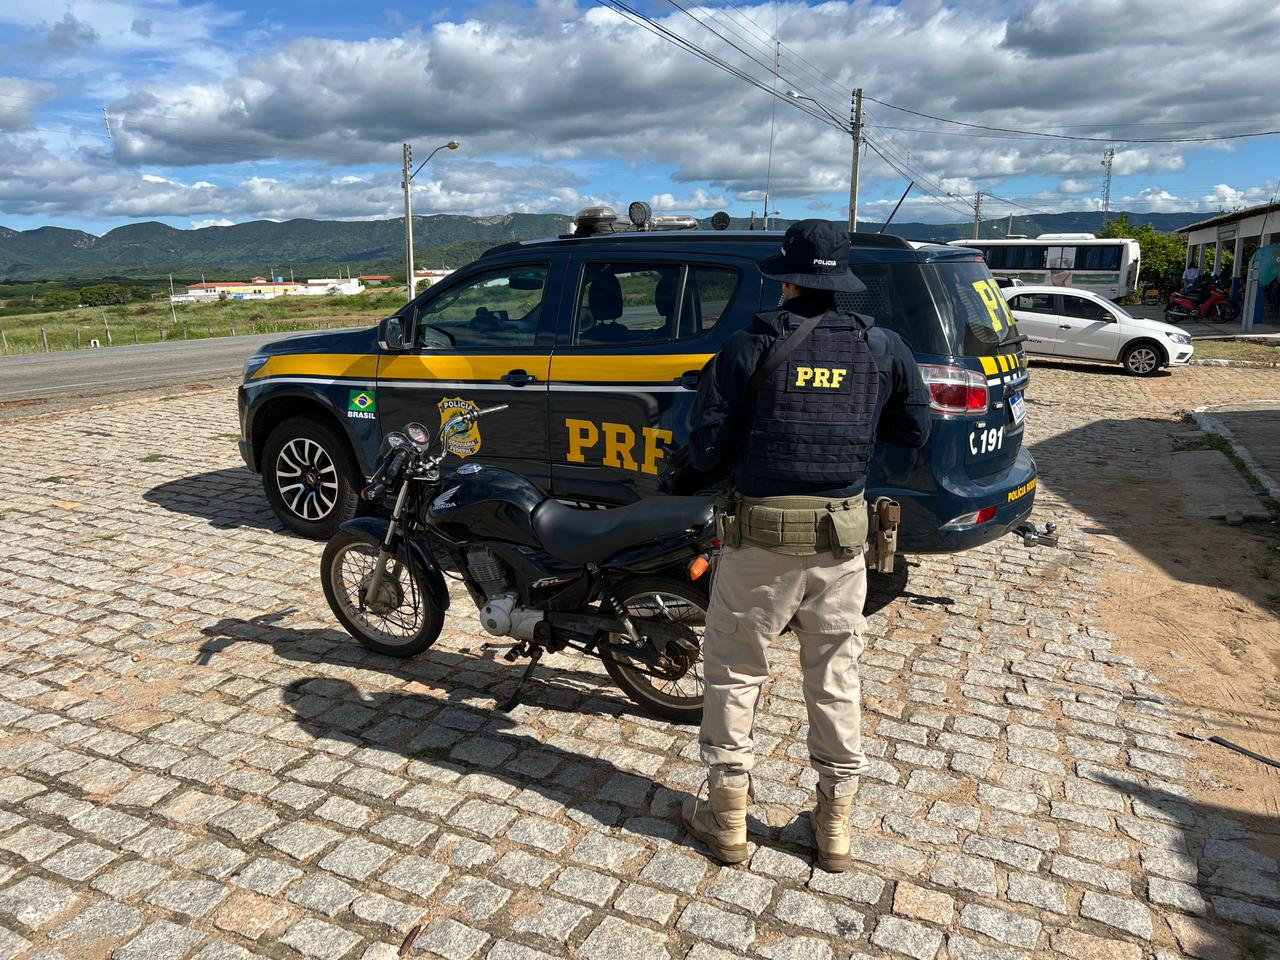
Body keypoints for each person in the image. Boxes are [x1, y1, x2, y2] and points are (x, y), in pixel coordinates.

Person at [681, 219, 932, 872]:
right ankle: (834, 826)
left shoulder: (750, 344)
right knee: (835, 675)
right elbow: (914, 429)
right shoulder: (882, 345)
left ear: (786, 278)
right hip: (843, 541)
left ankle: (727, 820)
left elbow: (705, 443)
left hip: (758, 536)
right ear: (839, 279)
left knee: (736, 670)